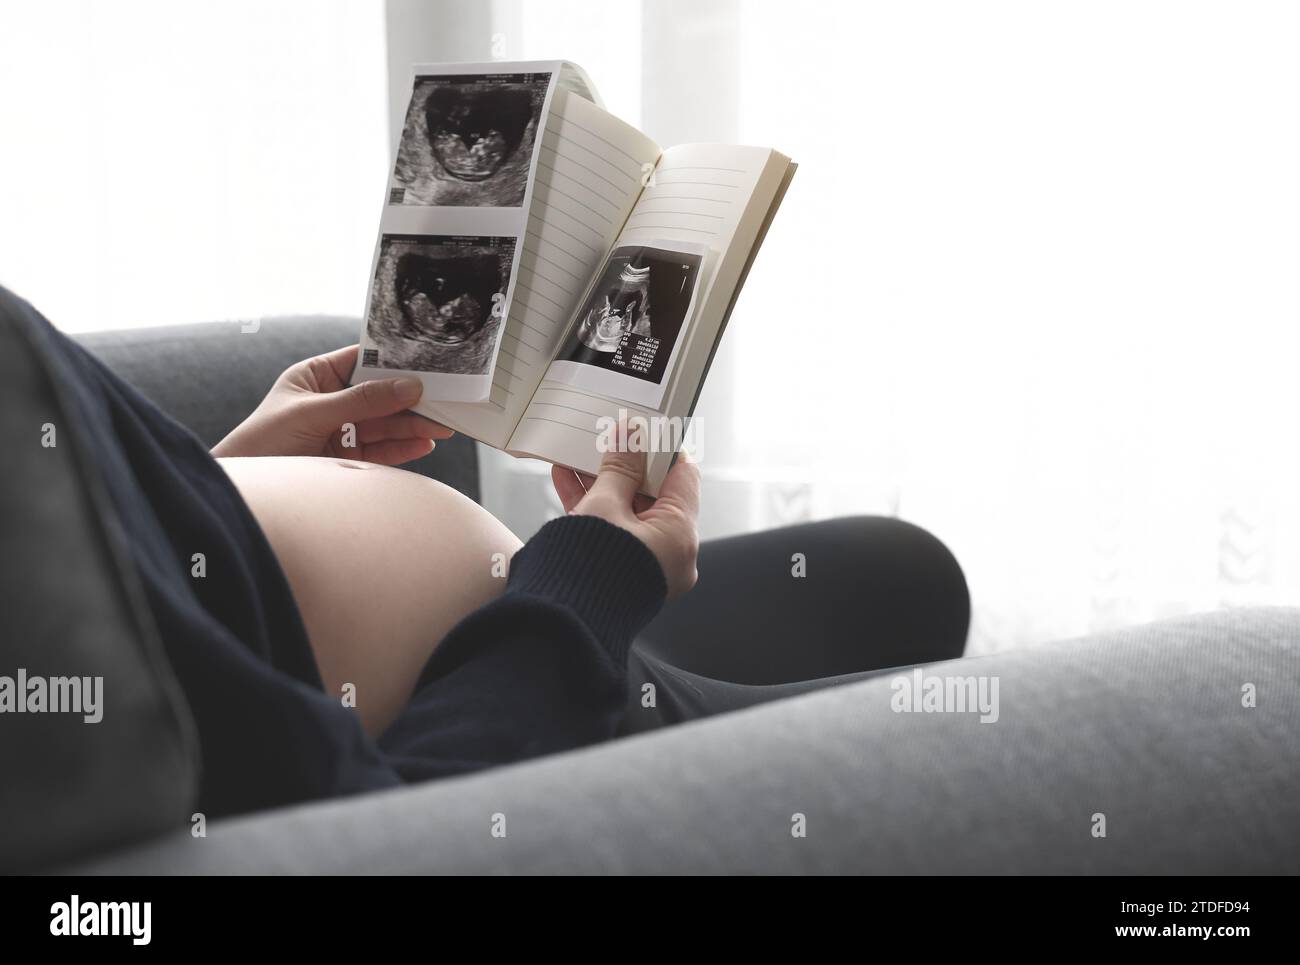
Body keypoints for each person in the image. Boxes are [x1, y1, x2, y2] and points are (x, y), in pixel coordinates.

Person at [6, 285, 970, 820]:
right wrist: (594, 577)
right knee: (967, 727)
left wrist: (210, 488)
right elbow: (385, 827)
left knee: (904, 569)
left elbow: (116, 587)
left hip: (533, 625)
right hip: (527, 713)